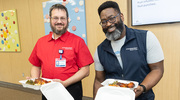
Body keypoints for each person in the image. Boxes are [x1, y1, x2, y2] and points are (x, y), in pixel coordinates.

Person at [93, 1, 164, 100]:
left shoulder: (146, 38)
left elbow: (157, 69)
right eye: (104, 21)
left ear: (121, 17)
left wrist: (142, 87)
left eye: (112, 18)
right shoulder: (100, 50)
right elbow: (99, 80)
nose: (108, 24)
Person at [28, 4, 94, 100]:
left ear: (67, 19)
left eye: (62, 18)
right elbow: (35, 65)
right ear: (50, 19)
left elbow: (85, 70)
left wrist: (65, 83)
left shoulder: (78, 41)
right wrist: (35, 80)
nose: (59, 21)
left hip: (71, 89)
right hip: (47, 89)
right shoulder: (40, 42)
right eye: (55, 18)